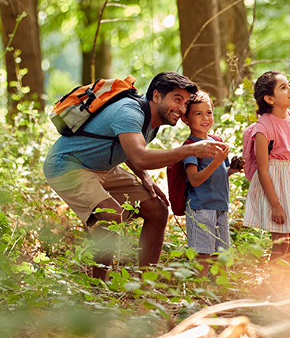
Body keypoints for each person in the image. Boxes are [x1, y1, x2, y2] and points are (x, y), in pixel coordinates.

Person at [43, 71, 227, 273]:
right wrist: (190, 150)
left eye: (185, 103)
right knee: (112, 215)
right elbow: (139, 156)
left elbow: (127, 148)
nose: (182, 109)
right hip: (68, 165)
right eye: (177, 100)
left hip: (103, 168)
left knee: (157, 209)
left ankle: (145, 285)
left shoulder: (154, 120)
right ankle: (97, 289)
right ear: (156, 96)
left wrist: (144, 177)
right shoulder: (130, 113)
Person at [241, 71, 290, 264]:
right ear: (269, 99)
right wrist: (275, 205)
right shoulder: (263, 128)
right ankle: (274, 286)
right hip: (275, 182)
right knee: (282, 242)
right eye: (283, 87)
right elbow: (263, 170)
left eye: (289, 85)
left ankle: (289, 285)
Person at [180, 90, 234, 279]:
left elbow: (220, 173)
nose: (205, 118)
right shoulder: (190, 147)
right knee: (203, 253)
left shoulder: (215, 142)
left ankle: (221, 287)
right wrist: (216, 161)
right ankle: (200, 288)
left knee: (221, 252)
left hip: (220, 205)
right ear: (186, 119)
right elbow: (194, 179)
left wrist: (232, 169)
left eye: (209, 112)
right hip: (201, 207)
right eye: (198, 113)